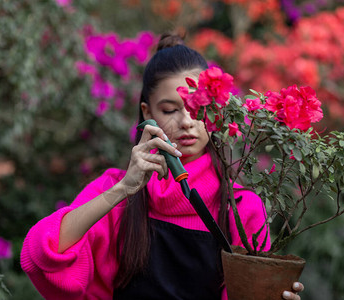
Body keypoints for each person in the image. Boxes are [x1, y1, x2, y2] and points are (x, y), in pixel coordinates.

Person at [20, 33, 304, 300]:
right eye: (170, 110)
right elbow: (42, 253)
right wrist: (122, 190)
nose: (186, 121)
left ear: (216, 110)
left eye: (198, 108)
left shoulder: (241, 206)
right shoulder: (116, 190)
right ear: (148, 113)